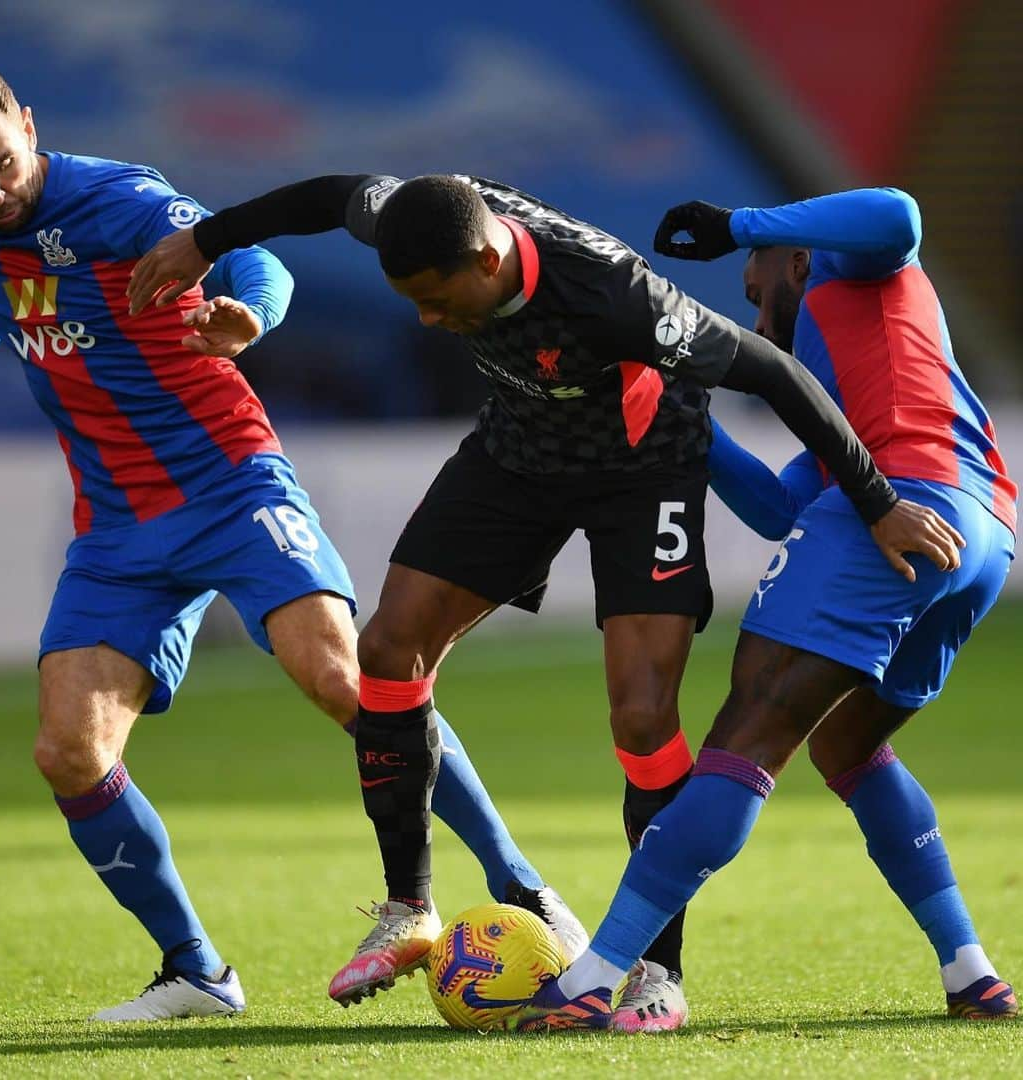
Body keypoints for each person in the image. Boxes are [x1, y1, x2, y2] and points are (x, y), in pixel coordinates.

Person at [128, 173, 962, 1032]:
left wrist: (877, 502)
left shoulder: (617, 296)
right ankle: (408, 908)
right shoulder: (420, 216)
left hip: (645, 471)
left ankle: (656, 975)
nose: (425, 318)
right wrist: (207, 240)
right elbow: (326, 197)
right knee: (386, 649)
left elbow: (777, 374)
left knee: (643, 717)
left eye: (434, 298)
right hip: (519, 456)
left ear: (488, 259)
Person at [0, 59, 588, 1023]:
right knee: (68, 752)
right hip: (117, 530)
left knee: (347, 685)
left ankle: (526, 888)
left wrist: (252, 315)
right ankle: (195, 970)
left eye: (3, 165)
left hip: (231, 486)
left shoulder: (114, 201)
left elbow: (255, 258)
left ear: (29, 126)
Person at [510, 187, 1017, 1030]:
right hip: (981, 534)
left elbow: (898, 214)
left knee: (742, 742)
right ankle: (971, 970)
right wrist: (688, 421)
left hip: (904, 508)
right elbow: (788, 510)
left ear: (796, 257)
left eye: (754, 289)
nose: (761, 317)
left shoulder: (847, 268)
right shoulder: (845, 369)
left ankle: (594, 978)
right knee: (849, 746)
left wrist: (737, 226)